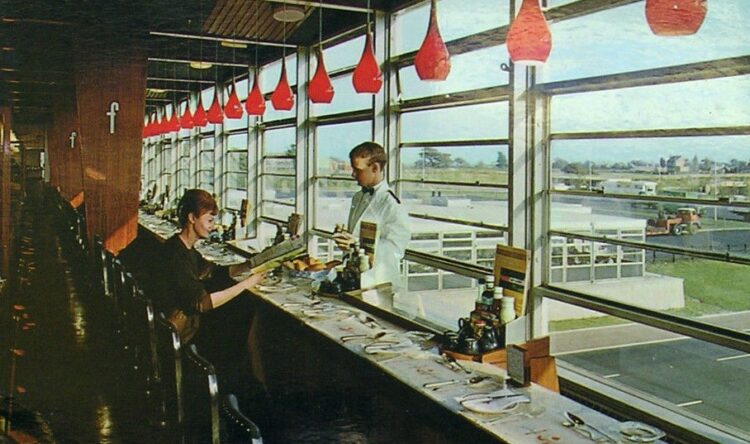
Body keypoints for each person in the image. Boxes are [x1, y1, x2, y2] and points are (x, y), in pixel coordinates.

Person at [160, 189, 264, 378]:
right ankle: (240, 380)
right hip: (185, 332)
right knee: (245, 311)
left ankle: (249, 379)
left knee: (242, 310)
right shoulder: (176, 256)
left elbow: (214, 272)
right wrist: (246, 284)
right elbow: (202, 303)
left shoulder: (184, 248)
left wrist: (249, 264)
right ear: (192, 218)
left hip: (184, 324)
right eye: (209, 220)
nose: (213, 226)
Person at [333, 142, 410, 290]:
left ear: (375, 168)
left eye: (357, 170)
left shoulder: (392, 205)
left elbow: (395, 249)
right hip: (355, 278)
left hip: (379, 281)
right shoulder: (358, 197)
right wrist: (344, 237)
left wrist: (355, 244)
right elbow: (358, 236)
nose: (353, 174)